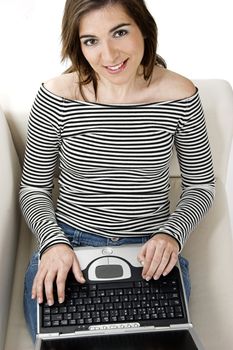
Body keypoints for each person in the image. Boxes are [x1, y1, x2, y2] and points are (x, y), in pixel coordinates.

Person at [20, 0, 215, 342]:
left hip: (149, 251)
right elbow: (33, 189)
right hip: (70, 247)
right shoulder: (57, 96)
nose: (108, 55)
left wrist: (171, 235)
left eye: (120, 32)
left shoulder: (181, 95)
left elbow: (200, 185)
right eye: (90, 40)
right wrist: (52, 244)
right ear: (77, 45)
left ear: (144, 28)